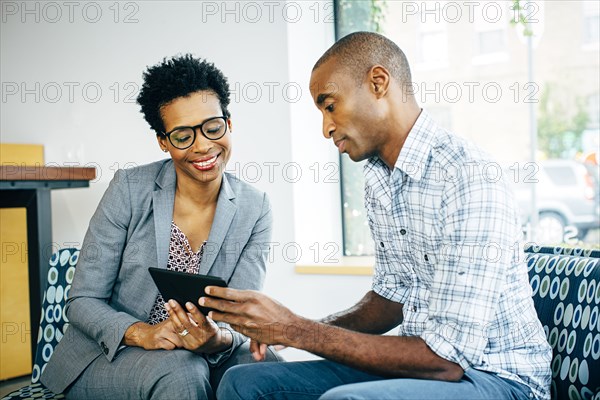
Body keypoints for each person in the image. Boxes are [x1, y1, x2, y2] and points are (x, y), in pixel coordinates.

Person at [209, 32, 552, 400]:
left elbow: (447, 359)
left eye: (330, 106)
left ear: (378, 83)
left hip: (496, 378)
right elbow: (391, 299)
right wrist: (288, 328)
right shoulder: (380, 179)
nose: (326, 128)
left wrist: (295, 330)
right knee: (242, 383)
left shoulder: (467, 176)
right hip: (431, 372)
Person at [40, 54, 281, 399]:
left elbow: (240, 316)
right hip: (110, 354)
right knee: (182, 370)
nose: (202, 145)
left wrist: (219, 337)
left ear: (229, 123)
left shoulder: (255, 207)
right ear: (163, 141)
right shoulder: (129, 189)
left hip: (199, 353)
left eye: (213, 127)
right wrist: (142, 333)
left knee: (262, 364)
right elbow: (82, 300)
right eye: (183, 135)